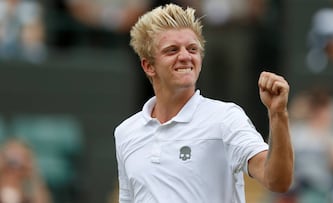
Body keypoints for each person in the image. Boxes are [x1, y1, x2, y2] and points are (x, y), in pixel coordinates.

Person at [114, 3, 293, 203]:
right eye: (172, 50)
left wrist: (278, 115)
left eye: (192, 49)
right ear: (148, 66)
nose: (185, 56)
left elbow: (277, 181)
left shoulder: (226, 118)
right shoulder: (125, 133)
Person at [0, 138, 52, 203]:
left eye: (19, 156)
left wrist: (32, 172)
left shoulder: (29, 186)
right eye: (12, 155)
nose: (15, 161)